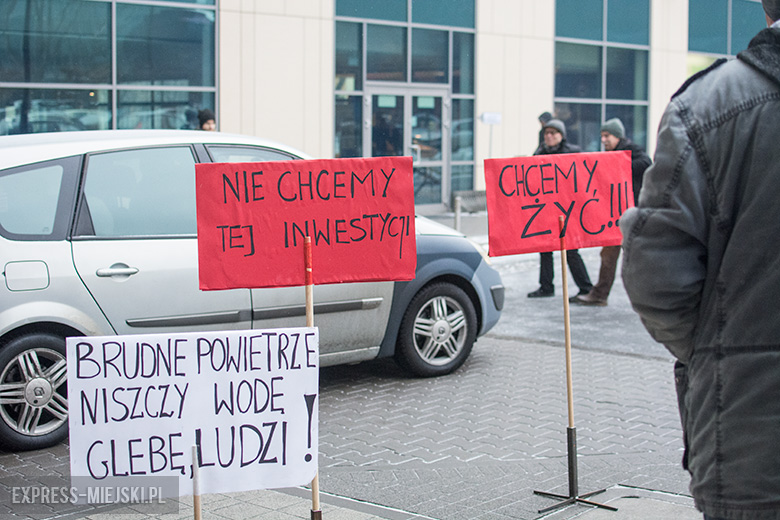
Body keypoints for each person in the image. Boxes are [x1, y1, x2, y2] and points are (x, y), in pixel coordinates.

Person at [620, 2, 780, 518]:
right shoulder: (714, 105)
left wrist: (720, 348)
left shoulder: (711, 104)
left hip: (752, 444)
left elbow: (654, 272)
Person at [573, 118, 651, 306]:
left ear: (618, 136)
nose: (604, 140)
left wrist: (619, 167)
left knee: (635, 255)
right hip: (616, 215)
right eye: (602, 136)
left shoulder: (631, 151)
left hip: (632, 213)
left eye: (607, 136)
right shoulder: (612, 154)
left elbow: (647, 163)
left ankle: (649, 296)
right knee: (608, 254)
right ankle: (600, 294)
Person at [527, 119, 593, 298]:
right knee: (545, 248)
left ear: (561, 135)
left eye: (553, 133)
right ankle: (546, 286)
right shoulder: (539, 153)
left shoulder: (573, 152)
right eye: (547, 133)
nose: (549, 136)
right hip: (546, 208)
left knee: (571, 250)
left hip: (568, 209)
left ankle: (586, 287)